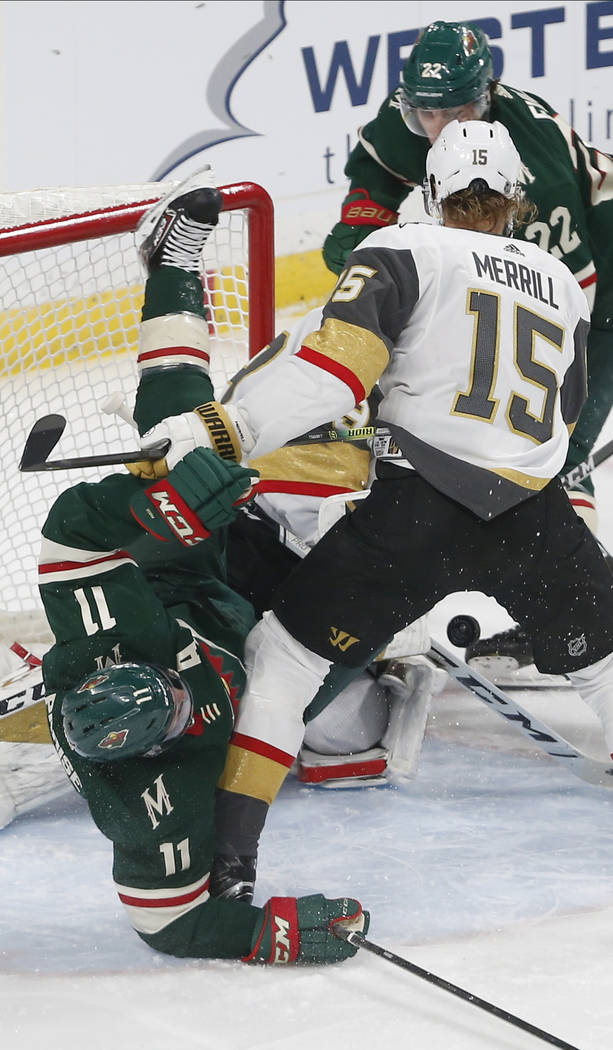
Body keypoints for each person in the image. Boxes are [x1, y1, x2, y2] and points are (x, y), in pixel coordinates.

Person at [0, 179, 371, 965]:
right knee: (370, 611)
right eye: (173, 704)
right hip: (258, 666)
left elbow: (69, 533)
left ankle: (168, 267)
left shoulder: (111, 640)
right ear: (158, 745)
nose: (177, 692)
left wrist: (160, 505)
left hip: (177, 592)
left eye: (167, 688)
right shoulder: (154, 809)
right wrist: (263, 934)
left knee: (175, 423)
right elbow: (171, 927)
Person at [136, 120, 613, 901]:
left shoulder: (403, 248)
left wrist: (223, 428)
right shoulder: (560, 282)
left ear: (431, 191)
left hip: (414, 515)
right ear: (517, 203)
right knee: (599, 665)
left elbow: (332, 372)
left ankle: (227, 865)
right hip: (536, 517)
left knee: (284, 662)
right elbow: (561, 417)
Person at [322, 19, 613, 675]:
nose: (440, 121)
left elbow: (564, 302)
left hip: (602, 295)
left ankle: (579, 613)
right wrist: (361, 233)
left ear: (489, 94)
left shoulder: (535, 166)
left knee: (554, 448)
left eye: (457, 108)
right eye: (427, 110)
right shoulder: (415, 115)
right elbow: (369, 183)